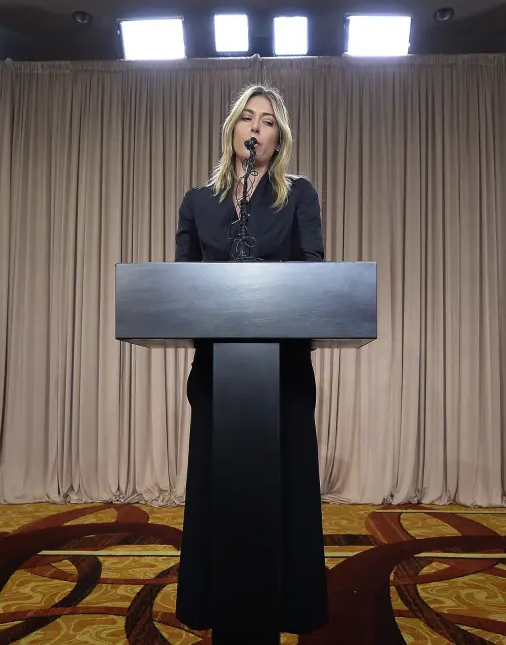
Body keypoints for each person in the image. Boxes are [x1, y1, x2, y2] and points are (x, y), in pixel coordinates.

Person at [173, 83, 328, 635]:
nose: (256, 127)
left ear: (277, 137)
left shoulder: (299, 195)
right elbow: (182, 287)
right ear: (232, 130)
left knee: (285, 483)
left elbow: (313, 269)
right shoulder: (198, 201)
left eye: (267, 120)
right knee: (219, 486)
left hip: (283, 371)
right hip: (218, 372)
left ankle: (290, 603)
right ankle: (212, 602)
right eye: (247, 117)